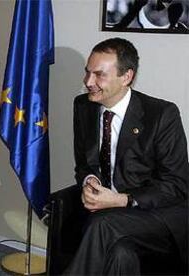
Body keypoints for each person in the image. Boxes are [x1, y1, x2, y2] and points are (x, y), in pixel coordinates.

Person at [65, 37, 188, 275]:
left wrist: (121, 200)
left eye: (99, 74)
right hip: (113, 216)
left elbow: (176, 185)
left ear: (126, 77)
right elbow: (84, 163)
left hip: (159, 214)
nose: (88, 81)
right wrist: (90, 180)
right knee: (122, 254)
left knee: (101, 225)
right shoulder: (84, 106)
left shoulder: (162, 114)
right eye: (87, 72)